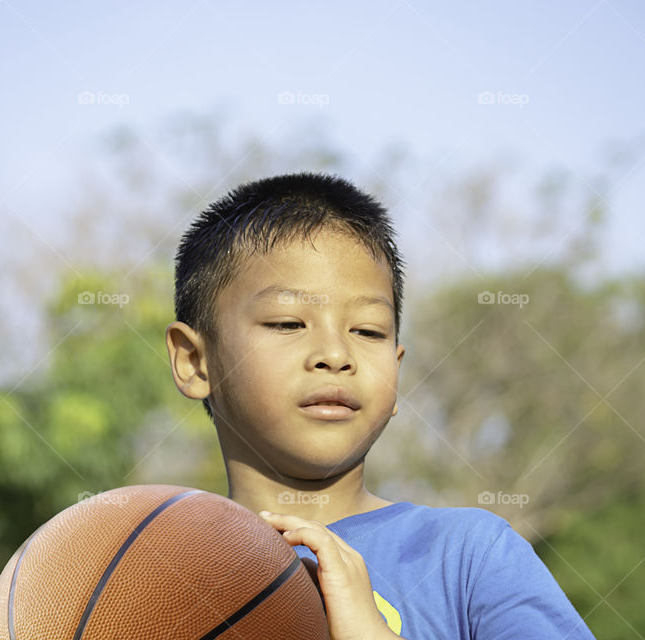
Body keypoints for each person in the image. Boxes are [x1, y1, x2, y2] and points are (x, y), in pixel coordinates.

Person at [165, 172, 596, 640]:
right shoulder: (150, 569)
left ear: (397, 367)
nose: (335, 355)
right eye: (288, 323)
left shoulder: (469, 557)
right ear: (194, 361)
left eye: (368, 331)